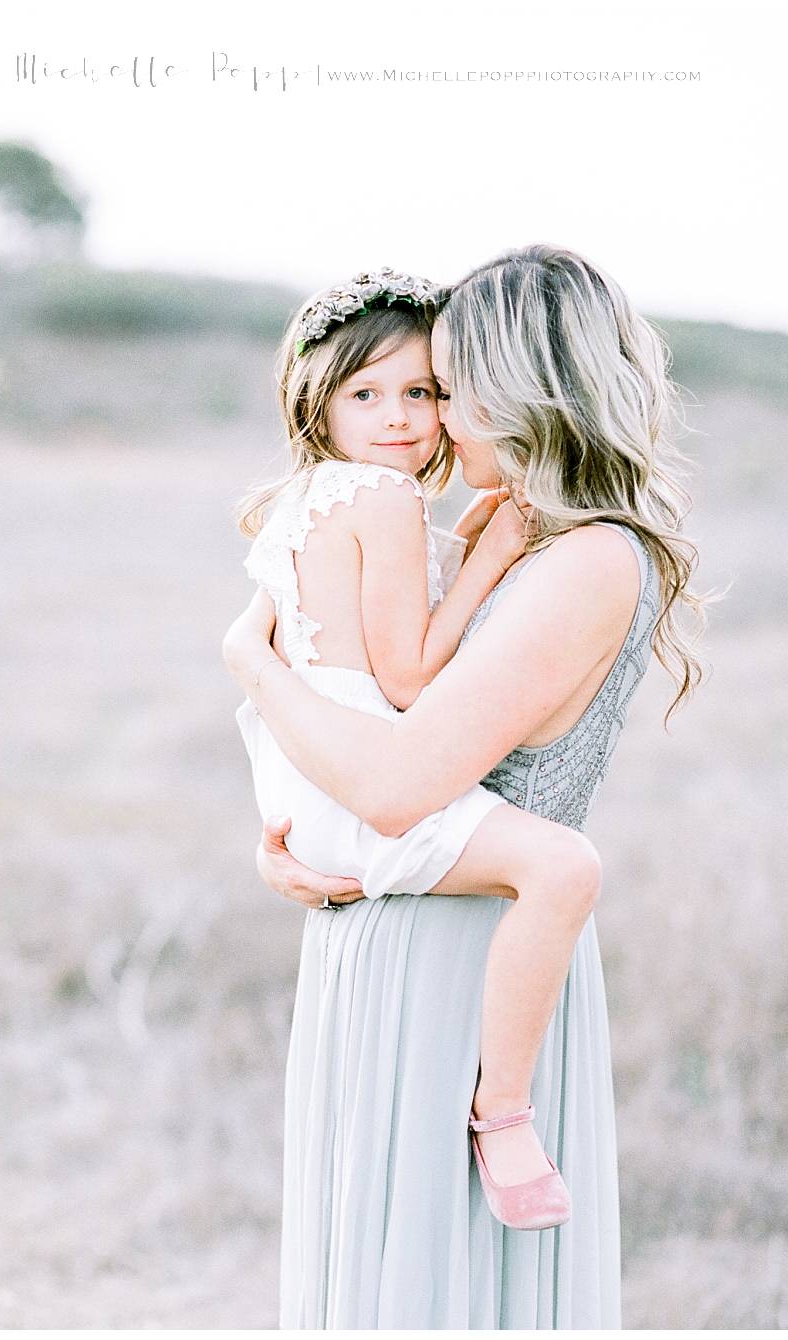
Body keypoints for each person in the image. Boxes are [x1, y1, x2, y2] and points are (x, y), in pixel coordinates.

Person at [223, 244, 704, 1328]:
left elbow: (398, 782)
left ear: (519, 387)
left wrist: (250, 666)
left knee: (438, 1289)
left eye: (447, 387)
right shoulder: (502, 535)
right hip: (409, 921)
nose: (432, 420)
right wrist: (291, 836)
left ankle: (504, 1111)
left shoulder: (585, 557)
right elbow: (384, 735)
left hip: (468, 954)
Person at [232, 266, 603, 1232]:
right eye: (368, 394)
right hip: (362, 774)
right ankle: (504, 1111)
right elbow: (406, 680)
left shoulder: (316, 496)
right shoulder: (384, 500)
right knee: (561, 867)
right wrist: (492, 552)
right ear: (321, 403)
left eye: (423, 392)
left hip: (315, 775)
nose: (399, 418)